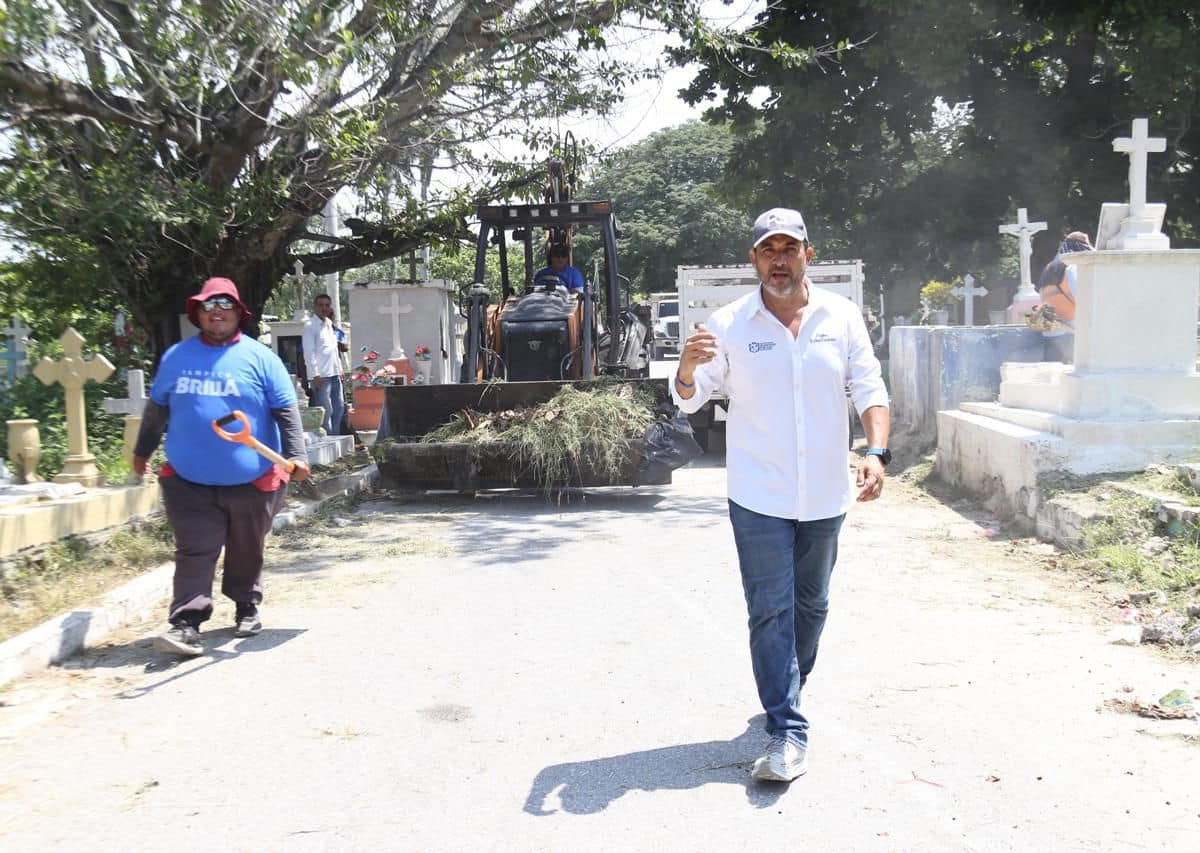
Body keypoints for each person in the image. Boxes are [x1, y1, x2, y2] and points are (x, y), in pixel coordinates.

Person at [673, 208, 891, 783]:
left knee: (811, 606)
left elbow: (868, 384)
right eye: (767, 250)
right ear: (754, 260)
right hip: (758, 490)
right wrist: (687, 369)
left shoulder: (841, 317)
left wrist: (877, 450)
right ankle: (786, 730)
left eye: (788, 249)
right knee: (770, 609)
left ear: (806, 255)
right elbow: (692, 400)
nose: (778, 260)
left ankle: (787, 684)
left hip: (824, 489)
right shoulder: (728, 324)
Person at [133, 277, 311, 656]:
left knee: (247, 548)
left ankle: (246, 605)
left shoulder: (261, 358)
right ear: (197, 313)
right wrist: (142, 452)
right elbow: (157, 409)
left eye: (225, 305)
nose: (217, 311)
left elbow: (285, 411)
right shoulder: (177, 357)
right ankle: (186, 623)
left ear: (238, 313)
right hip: (188, 479)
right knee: (196, 548)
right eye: (208, 305)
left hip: (253, 477)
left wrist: (297, 456)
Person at [1035, 231, 1093, 362]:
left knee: (1054, 376)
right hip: (1071, 331)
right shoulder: (1072, 268)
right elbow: (1083, 298)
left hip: (1050, 331)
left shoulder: (1049, 268)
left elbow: (1042, 296)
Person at [302, 292, 347, 435]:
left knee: (339, 408)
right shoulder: (310, 326)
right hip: (322, 377)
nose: (324, 308)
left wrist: (340, 369)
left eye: (327, 305)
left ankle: (336, 438)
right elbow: (309, 353)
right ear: (315, 307)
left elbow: (333, 350)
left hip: (335, 375)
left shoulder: (329, 324)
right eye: (321, 305)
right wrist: (315, 375)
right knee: (325, 411)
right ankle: (328, 440)